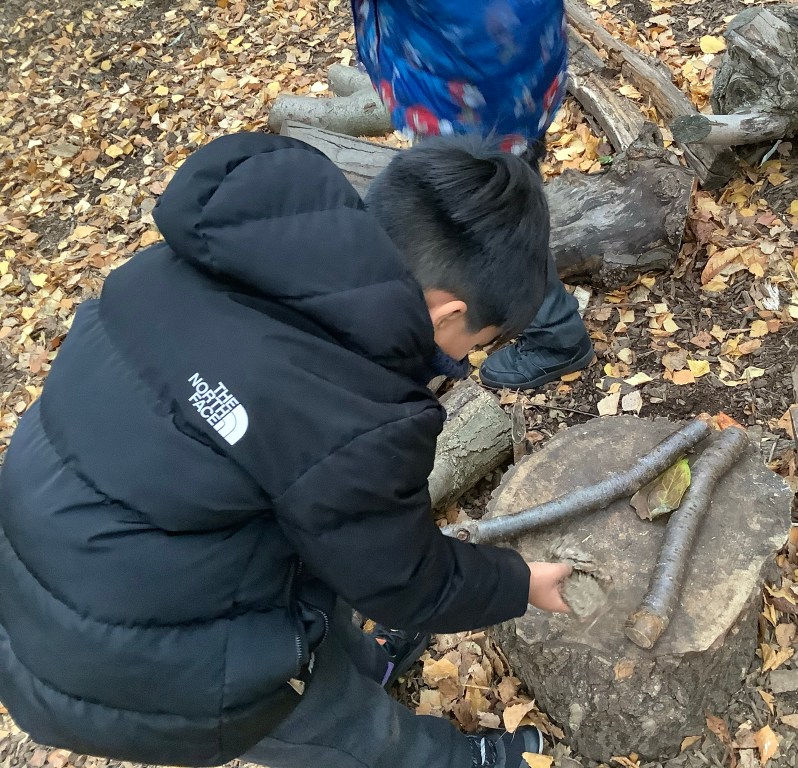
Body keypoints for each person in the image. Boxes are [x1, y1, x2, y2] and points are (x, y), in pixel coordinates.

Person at [0, 131, 573, 768]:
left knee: (315, 564)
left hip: (54, 565)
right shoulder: (354, 415)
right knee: (339, 730)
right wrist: (518, 583)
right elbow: (403, 578)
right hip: (133, 663)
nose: (470, 357)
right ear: (446, 314)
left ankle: (369, 666)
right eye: (480, 340)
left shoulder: (201, 262)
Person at [353, 0, 595, 390]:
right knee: (494, 187)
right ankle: (552, 329)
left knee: (484, 206)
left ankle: (556, 333)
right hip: (469, 60)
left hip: (468, 70)